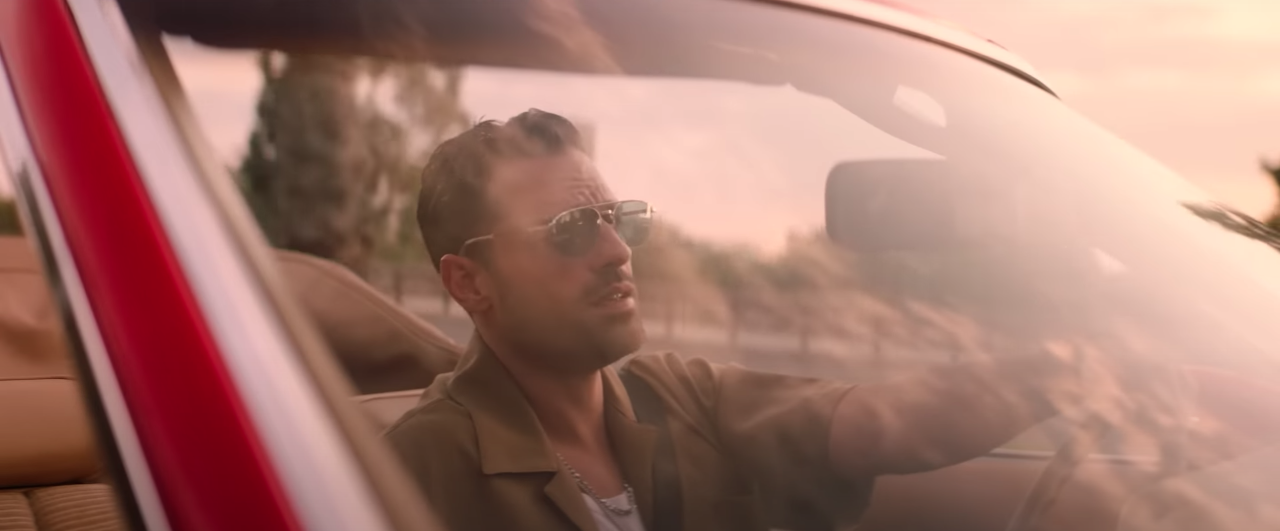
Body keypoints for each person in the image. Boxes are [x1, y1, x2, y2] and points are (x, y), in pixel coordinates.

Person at [383, 109, 1277, 531]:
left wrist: (1093, 369)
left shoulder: (676, 395)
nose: (618, 252)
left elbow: (886, 419)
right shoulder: (417, 464)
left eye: (622, 220)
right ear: (470, 281)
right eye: (573, 230)